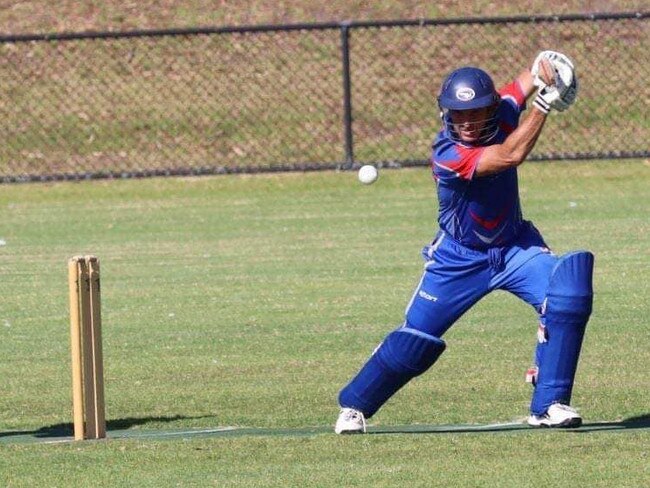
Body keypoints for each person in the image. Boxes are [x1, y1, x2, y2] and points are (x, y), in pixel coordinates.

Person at [335, 51, 593, 434]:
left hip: (515, 248)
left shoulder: (501, 111)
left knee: (567, 290)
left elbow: (520, 84)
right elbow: (509, 156)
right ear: (446, 115)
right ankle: (355, 405)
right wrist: (542, 105)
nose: (468, 122)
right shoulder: (447, 155)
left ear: (490, 110)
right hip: (458, 259)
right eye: (459, 114)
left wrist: (543, 69)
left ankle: (549, 403)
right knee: (415, 341)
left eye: (475, 113)